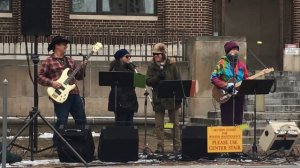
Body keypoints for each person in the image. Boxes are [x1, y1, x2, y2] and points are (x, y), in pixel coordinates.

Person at [38, 36, 87, 146]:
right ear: (56, 46)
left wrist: (83, 67)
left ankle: (83, 144)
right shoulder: (48, 61)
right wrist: (52, 83)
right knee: (62, 121)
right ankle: (58, 145)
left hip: (74, 93)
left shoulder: (70, 61)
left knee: (81, 120)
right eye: (63, 44)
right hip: (60, 95)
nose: (66, 46)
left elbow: (79, 77)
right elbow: (39, 77)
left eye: (66, 44)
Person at [146, 43, 181, 153]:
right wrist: (157, 77)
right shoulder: (151, 66)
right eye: (154, 54)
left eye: (158, 54)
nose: (156, 56)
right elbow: (148, 81)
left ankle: (177, 147)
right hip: (159, 99)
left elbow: (178, 80)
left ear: (163, 54)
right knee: (159, 125)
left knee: (175, 124)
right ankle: (160, 147)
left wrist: (179, 96)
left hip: (172, 98)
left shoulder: (172, 65)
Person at [210, 41, 249, 126]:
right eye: (233, 49)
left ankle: (237, 138)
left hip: (239, 96)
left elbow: (246, 78)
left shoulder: (242, 65)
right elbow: (213, 78)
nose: (235, 51)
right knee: (227, 121)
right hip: (226, 95)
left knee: (238, 121)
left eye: (237, 49)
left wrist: (247, 82)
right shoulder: (222, 63)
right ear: (228, 52)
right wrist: (226, 85)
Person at [108, 49, 138, 126]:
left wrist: (132, 68)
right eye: (127, 56)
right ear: (121, 58)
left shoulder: (130, 67)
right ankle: (122, 137)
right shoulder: (116, 68)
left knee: (129, 122)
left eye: (130, 56)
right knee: (121, 121)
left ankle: (129, 137)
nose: (129, 58)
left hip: (130, 99)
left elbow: (139, 81)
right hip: (120, 100)